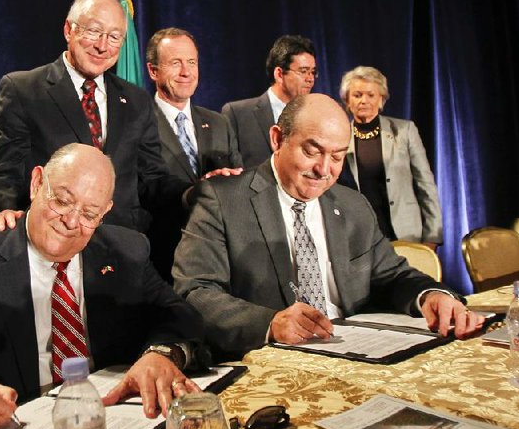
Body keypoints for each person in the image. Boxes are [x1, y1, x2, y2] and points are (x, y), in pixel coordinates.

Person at [0, 144, 205, 429]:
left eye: (90, 214)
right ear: (37, 184)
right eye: (62, 200)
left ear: (105, 212)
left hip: (110, 428)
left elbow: (182, 318)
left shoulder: (126, 251)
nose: (71, 221)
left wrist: (160, 355)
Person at [173, 94, 482, 359]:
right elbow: (195, 291)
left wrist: (431, 296)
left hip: (359, 354)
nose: (324, 170)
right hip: (275, 361)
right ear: (277, 139)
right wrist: (269, 322)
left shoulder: (352, 205)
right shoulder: (222, 200)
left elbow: (392, 275)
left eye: (337, 157)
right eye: (312, 151)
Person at [0, 0, 191, 233]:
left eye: (114, 37)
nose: (102, 46)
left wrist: (195, 191)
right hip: (55, 238)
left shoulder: (136, 100)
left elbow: (152, 180)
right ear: (69, 30)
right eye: (93, 31)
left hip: (121, 243)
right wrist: (3, 210)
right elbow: (1, 173)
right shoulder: (24, 89)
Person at [144, 27, 242, 281]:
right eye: (175, 63)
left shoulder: (219, 122)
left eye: (192, 62)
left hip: (218, 258)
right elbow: (143, 189)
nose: (186, 72)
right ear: (153, 71)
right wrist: (198, 189)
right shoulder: (138, 123)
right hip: (163, 256)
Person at [338, 66, 442, 248]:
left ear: (381, 99)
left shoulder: (404, 131)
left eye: (371, 95)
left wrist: (432, 236)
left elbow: (425, 185)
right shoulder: (339, 137)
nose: (364, 100)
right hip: (363, 240)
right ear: (347, 100)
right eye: (357, 95)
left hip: (407, 236)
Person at [221, 35, 316, 168]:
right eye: (304, 71)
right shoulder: (237, 113)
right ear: (279, 74)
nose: (310, 79)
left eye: (313, 72)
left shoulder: (314, 116)